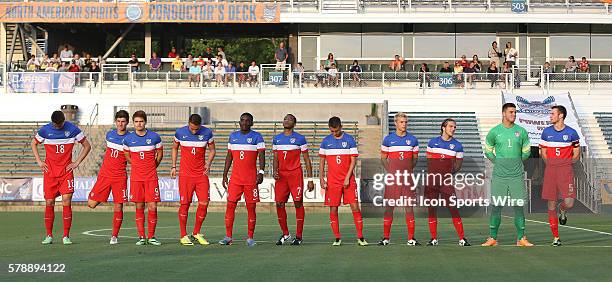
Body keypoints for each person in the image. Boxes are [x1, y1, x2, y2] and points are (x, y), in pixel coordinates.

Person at [33, 111, 91, 245]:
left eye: (60, 124)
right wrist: (39, 161)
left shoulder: (72, 129)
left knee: (66, 200)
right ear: (52, 122)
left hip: (66, 172)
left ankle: (66, 235)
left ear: (64, 121)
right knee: (49, 203)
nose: (58, 127)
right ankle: (49, 235)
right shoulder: (45, 130)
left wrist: (77, 162)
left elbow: (87, 145)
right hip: (50, 173)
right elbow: (33, 143)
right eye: (55, 124)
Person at [482, 103, 533, 247]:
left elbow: (527, 151)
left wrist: (516, 162)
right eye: (511, 112)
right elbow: (488, 150)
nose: (514, 114)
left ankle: (521, 238)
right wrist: (497, 161)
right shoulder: (494, 132)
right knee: (496, 206)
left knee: (519, 206)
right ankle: (492, 238)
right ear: (504, 113)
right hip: (499, 176)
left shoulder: (521, 131)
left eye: (515, 112)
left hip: (516, 176)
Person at [319, 116, 368, 246]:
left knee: (355, 207)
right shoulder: (325, 141)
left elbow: (353, 161)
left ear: (341, 127)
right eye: (332, 131)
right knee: (333, 209)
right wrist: (321, 178)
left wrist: (347, 177)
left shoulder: (350, 140)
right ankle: (337, 238)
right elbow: (322, 160)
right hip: (332, 182)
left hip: (348, 180)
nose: (334, 133)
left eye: (336, 130)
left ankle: (360, 237)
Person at [219, 113, 265, 247]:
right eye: (242, 120)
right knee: (230, 206)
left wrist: (261, 172)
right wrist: (224, 174)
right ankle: (228, 237)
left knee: (251, 208)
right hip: (235, 180)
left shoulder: (257, 137)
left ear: (252, 123)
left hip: (251, 180)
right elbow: (229, 156)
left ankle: (250, 238)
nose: (244, 123)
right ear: (239, 122)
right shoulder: (233, 136)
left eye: (247, 121)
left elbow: (262, 155)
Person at [172, 114, 216, 246]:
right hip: (186, 175)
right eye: (191, 128)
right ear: (188, 123)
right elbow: (174, 148)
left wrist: (208, 163)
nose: (194, 131)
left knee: (204, 202)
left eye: (196, 129)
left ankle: (196, 232)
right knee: (185, 204)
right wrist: (173, 166)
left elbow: (212, 150)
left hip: (201, 175)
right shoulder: (180, 132)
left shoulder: (207, 132)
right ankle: (183, 235)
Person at [425, 118, 470, 247]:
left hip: (446, 182)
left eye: (454, 127)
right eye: (450, 126)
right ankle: (434, 239)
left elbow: (458, 166)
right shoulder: (432, 143)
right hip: (433, 181)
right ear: (443, 128)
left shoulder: (458, 146)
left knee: (453, 209)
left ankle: (462, 238)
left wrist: (446, 174)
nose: (453, 129)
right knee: (432, 209)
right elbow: (429, 161)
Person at [539, 105, 580, 247]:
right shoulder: (546, 133)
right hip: (551, 171)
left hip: (566, 172)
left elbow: (576, 154)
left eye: (552, 114)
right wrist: (551, 164)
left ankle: (562, 210)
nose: (550, 116)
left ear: (561, 116)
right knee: (551, 204)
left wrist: (565, 163)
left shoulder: (572, 133)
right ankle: (556, 237)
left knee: (569, 202)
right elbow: (543, 153)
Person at [87, 110, 130, 245]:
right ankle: (104, 196)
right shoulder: (109, 135)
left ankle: (114, 236)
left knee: (119, 206)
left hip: (120, 177)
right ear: (115, 122)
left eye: (123, 121)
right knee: (91, 204)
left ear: (127, 122)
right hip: (105, 175)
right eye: (118, 121)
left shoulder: (131, 139)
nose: (120, 124)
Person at [272, 114, 315, 246]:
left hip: (295, 174)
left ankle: (299, 236)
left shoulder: (300, 139)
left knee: (297, 203)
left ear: (294, 123)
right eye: (285, 118)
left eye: (289, 119)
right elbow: (275, 158)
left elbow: (307, 159)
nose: (286, 120)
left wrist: (310, 179)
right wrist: (275, 170)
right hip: (281, 176)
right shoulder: (277, 139)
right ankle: (285, 233)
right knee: (279, 203)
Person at [122, 111, 163, 246]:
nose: (139, 124)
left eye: (141, 121)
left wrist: (153, 166)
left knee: (152, 205)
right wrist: (135, 165)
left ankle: (151, 236)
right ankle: (141, 236)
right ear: (133, 123)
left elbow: (160, 154)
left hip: (151, 177)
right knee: (139, 206)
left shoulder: (155, 137)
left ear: (145, 122)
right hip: (136, 178)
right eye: (136, 122)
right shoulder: (128, 139)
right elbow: (127, 155)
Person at [378, 113, 418, 246]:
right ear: (395, 123)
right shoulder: (388, 140)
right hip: (393, 180)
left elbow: (415, 159)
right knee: (389, 208)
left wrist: (406, 171)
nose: (404, 124)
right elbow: (383, 158)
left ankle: (411, 238)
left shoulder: (413, 140)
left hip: (407, 179)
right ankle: (386, 238)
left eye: (406, 122)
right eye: (401, 122)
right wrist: (391, 171)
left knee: (409, 208)